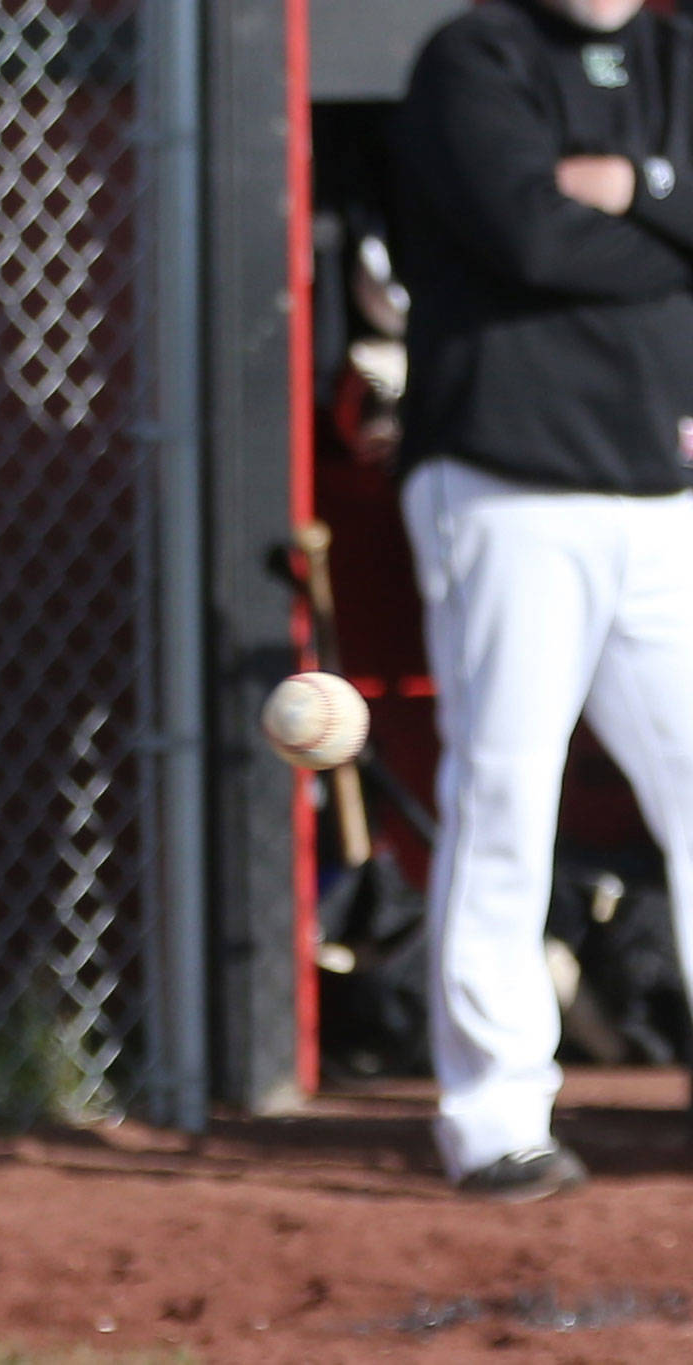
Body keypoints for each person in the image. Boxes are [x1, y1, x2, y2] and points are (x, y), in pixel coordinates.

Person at [391, 0, 693, 1200]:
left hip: (661, 484)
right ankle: (491, 1114)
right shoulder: (473, 58)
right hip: (504, 481)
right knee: (506, 786)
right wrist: (672, 216)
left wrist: (630, 185)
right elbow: (528, 239)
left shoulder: (678, 56)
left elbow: (577, 226)